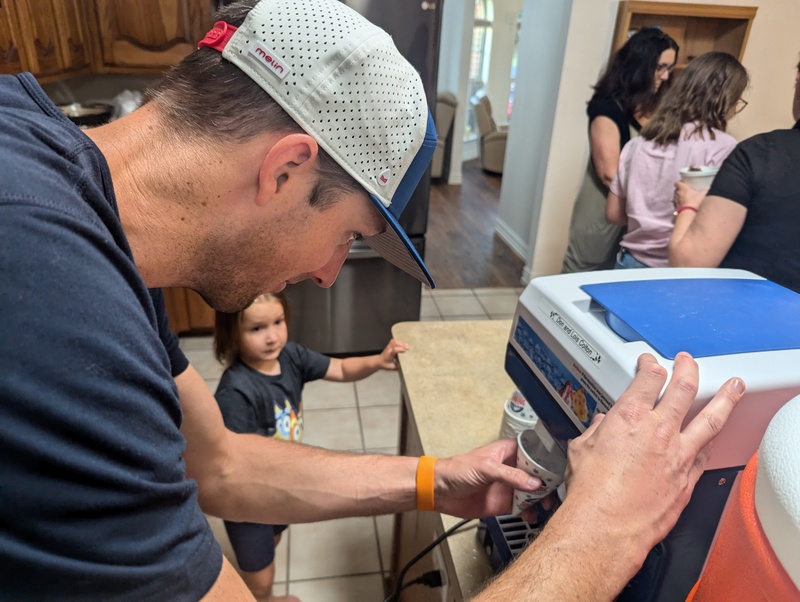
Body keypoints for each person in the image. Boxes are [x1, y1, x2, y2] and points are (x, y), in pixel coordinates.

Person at [0, 0, 745, 599]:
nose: (328, 274)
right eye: (347, 233)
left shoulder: (86, 223)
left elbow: (217, 462)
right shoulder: (49, 291)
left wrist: (431, 479)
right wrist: (599, 534)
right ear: (287, 169)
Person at [213, 293, 408, 601]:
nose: (272, 336)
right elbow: (231, 464)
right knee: (260, 580)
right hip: (249, 501)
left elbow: (341, 369)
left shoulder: (291, 357)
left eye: (278, 322)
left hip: (281, 489)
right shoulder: (235, 392)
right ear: (232, 334)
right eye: (257, 329)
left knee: (273, 540)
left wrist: (377, 361)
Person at [669, 57, 800, 293]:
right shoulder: (736, 149)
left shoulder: (761, 154)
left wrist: (687, 207)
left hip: (744, 310)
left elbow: (689, 262)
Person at [606, 52, 748, 269]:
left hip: (628, 262)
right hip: (672, 269)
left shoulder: (639, 142)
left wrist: (647, 220)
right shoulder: (723, 147)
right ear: (726, 100)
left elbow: (614, 213)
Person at [561, 27, 679, 273]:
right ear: (639, 67)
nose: (666, 76)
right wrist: (654, 202)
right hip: (603, 215)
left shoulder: (658, 109)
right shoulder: (606, 109)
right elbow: (609, 174)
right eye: (660, 68)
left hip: (636, 216)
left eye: (670, 68)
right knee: (582, 275)